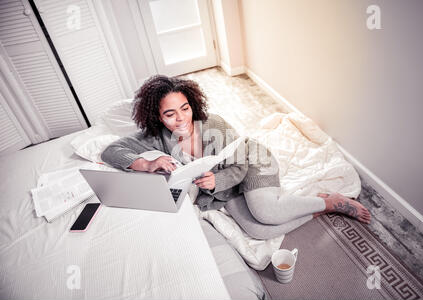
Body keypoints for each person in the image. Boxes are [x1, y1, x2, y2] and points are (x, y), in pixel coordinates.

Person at [101, 75, 371, 240]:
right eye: (170, 114)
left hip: (251, 164)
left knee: (268, 212)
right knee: (259, 231)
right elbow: (111, 151)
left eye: (185, 108)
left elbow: (241, 164)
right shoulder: (154, 136)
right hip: (224, 190)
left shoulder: (214, 124)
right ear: (157, 117)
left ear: (192, 105)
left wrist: (216, 180)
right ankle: (321, 205)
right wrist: (146, 163)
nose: (181, 117)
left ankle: (331, 201)